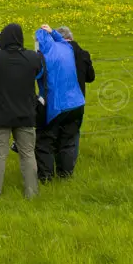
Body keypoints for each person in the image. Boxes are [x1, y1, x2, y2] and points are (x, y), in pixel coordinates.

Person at [0, 23, 42, 199]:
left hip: (1, 114)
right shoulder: (32, 58)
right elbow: (40, 71)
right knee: (28, 154)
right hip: (26, 114)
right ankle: (32, 193)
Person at [34, 26, 86, 181]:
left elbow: (37, 75)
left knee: (45, 142)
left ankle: (46, 178)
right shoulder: (66, 48)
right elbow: (63, 40)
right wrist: (53, 32)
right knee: (68, 141)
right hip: (77, 103)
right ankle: (66, 176)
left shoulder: (43, 57)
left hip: (57, 106)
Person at [55, 25, 95, 161]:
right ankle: (68, 169)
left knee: (55, 132)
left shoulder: (54, 54)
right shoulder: (83, 54)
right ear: (71, 38)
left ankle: (55, 164)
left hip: (57, 101)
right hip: (77, 101)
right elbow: (91, 77)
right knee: (72, 135)